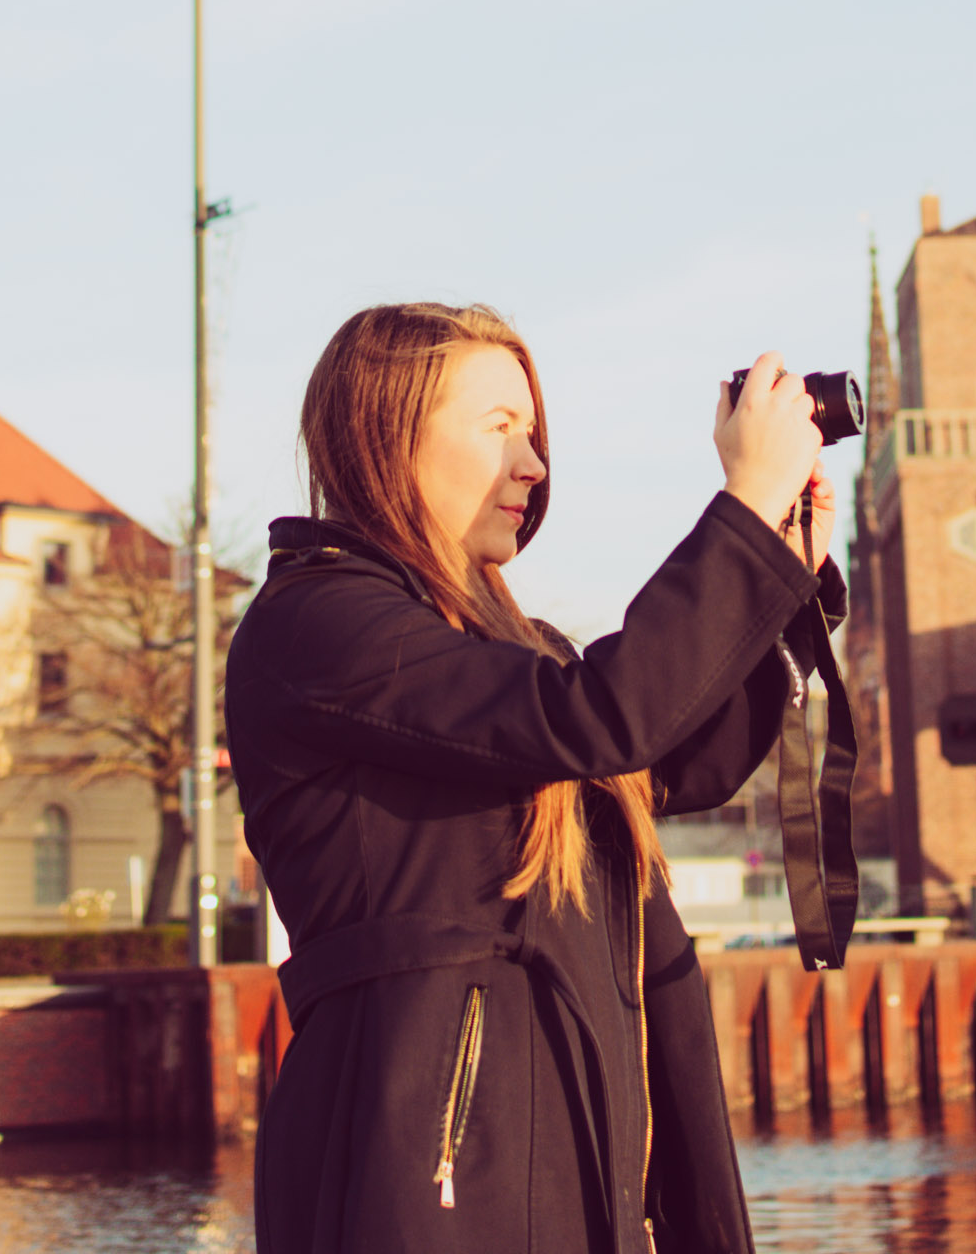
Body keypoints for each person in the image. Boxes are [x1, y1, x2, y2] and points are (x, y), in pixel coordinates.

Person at [225, 302, 847, 1254]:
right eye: (499, 428)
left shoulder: (517, 652)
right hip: (427, 1173)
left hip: (569, 1145)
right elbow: (604, 716)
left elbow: (672, 755)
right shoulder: (317, 624)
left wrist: (784, 576)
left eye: (535, 433)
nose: (534, 464)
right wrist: (743, 513)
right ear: (388, 436)